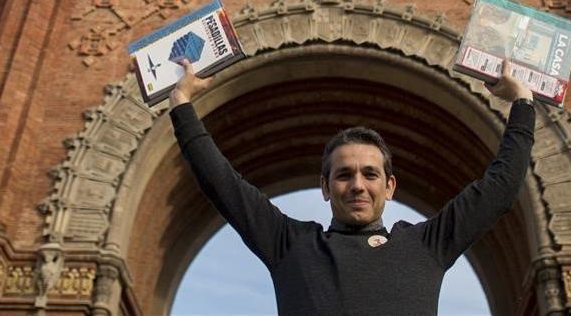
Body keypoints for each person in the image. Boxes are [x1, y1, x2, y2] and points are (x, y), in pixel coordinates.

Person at [165, 59, 536, 315]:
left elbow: (500, 186)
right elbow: (222, 182)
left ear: (390, 186)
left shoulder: (427, 245)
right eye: (344, 175)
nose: (357, 185)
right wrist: (181, 104)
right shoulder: (291, 245)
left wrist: (522, 102)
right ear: (325, 186)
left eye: (370, 174)